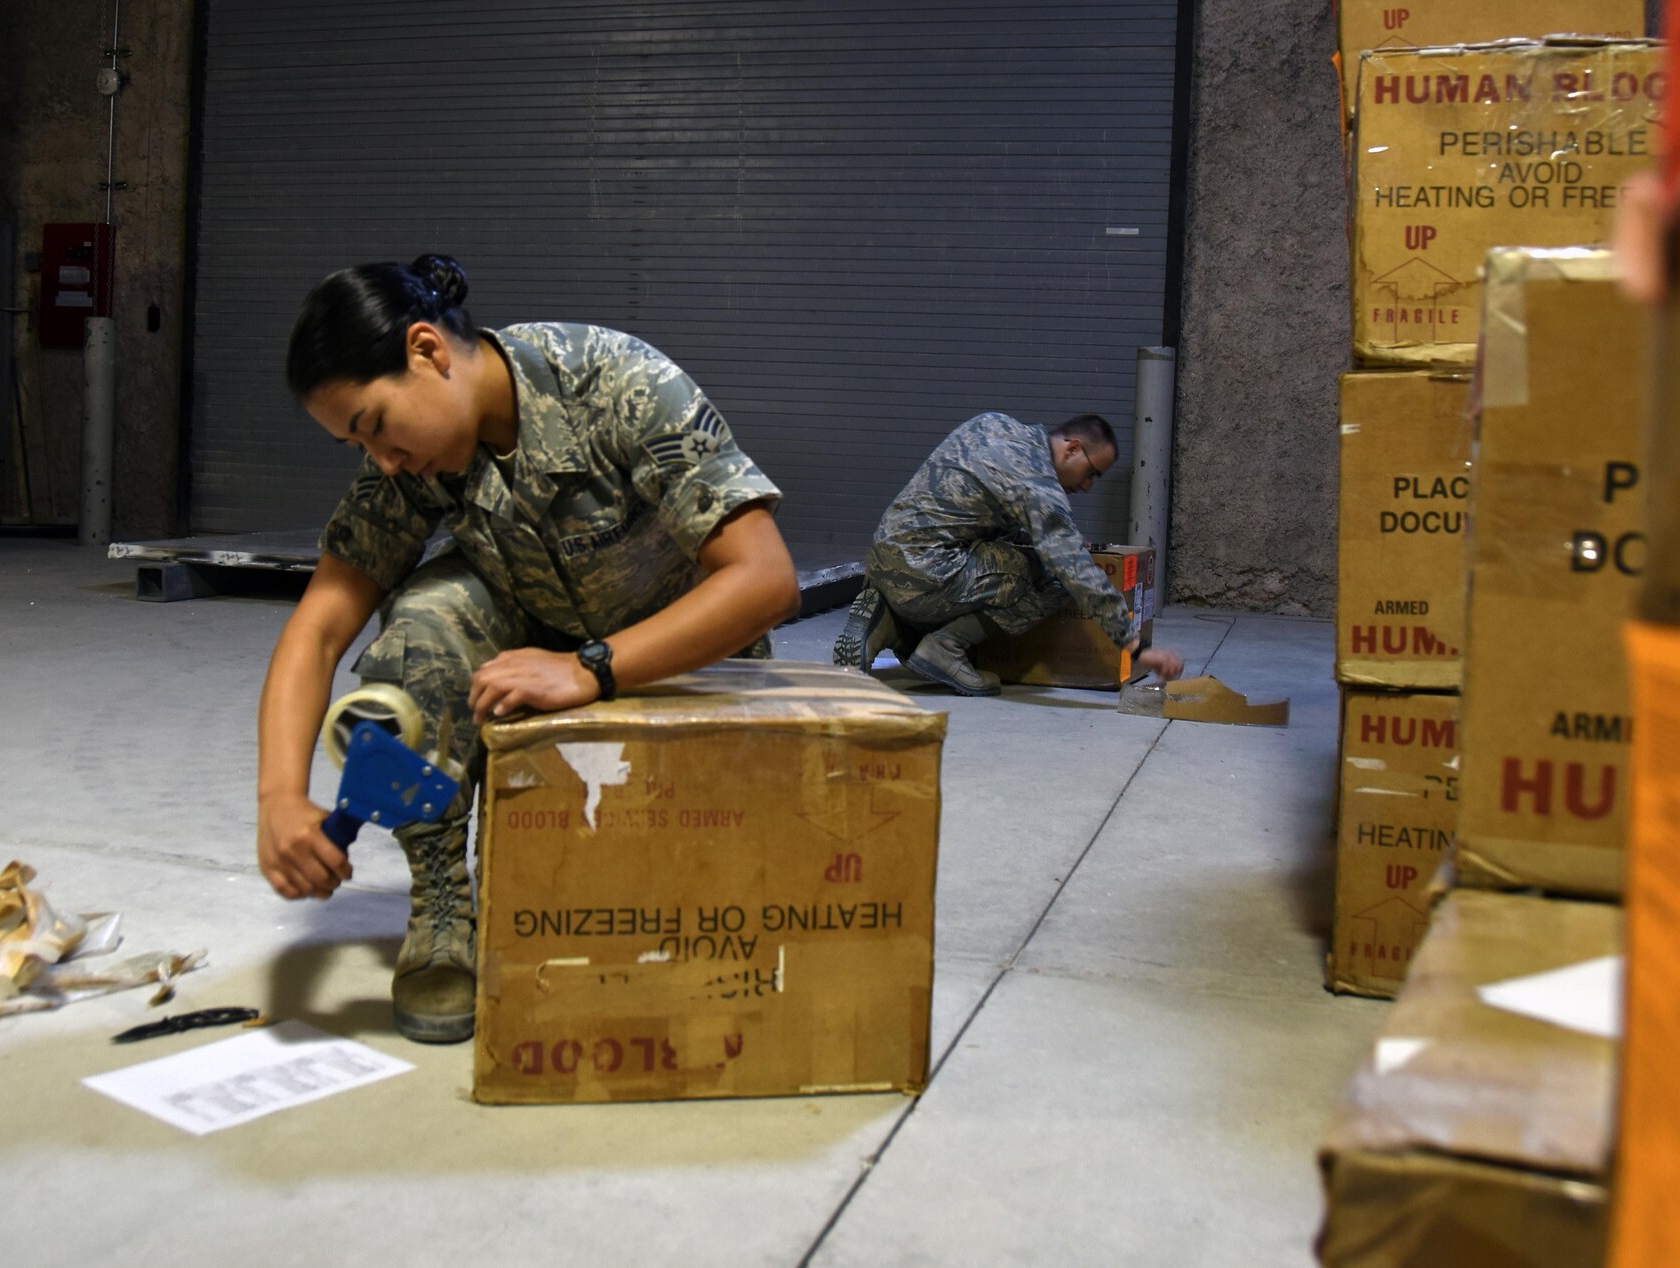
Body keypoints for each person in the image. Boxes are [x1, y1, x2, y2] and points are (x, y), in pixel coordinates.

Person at [257, 254, 799, 1044]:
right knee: (420, 630)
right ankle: (443, 908)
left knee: (678, 921)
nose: (382, 459)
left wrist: (590, 668)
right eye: (357, 446)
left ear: (427, 352)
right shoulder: (416, 460)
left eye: (374, 426)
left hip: (681, 646)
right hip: (543, 625)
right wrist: (279, 796)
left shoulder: (618, 383)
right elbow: (321, 626)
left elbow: (765, 579)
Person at [835, 411, 1184, 694]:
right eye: (1092, 473)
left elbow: (978, 511)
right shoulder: (1039, 483)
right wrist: (1136, 648)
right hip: (927, 574)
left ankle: (887, 621)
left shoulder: (994, 424)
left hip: (883, 559)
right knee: (1052, 577)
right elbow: (1073, 568)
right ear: (1072, 448)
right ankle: (944, 646)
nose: (1087, 486)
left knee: (1005, 552)